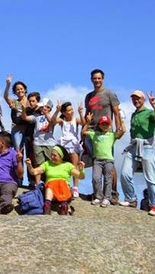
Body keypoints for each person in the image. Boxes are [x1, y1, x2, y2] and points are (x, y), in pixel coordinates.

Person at [120, 90, 155, 216]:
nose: (136, 101)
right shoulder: (134, 114)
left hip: (147, 147)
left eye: (138, 98)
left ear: (143, 99)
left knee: (151, 177)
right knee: (125, 173)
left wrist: (154, 105)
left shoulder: (149, 112)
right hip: (134, 146)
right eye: (134, 99)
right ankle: (131, 199)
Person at [84, 68, 123, 203]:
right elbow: (87, 115)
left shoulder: (109, 93)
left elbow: (116, 112)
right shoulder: (88, 96)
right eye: (95, 78)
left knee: (108, 162)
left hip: (106, 132)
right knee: (96, 162)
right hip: (92, 131)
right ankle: (98, 193)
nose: (97, 81)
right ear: (91, 79)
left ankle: (113, 193)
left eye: (99, 78)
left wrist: (118, 129)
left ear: (103, 79)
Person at [26, 145, 85, 215]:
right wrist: (29, 165)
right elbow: (34, 172)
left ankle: (64, 205)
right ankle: (47, 205)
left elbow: (80, 177)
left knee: (62, 183)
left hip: (64, 190)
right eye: (51, 155)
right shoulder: (47, 164)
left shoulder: (68, 165)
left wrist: (81, 170)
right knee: (50, 184)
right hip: (51, 192)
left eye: (55, 155)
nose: (52, 157)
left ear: (61, 156)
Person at [82, 114, 124, 208]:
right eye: (103, 124)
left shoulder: (112, 135)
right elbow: (84, 132)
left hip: (108, 160)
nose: (104, 126)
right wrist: (88, 122)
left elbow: (123, 131)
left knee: (108, 179)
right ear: (99, 125)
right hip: (97, 160)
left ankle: (107, 198)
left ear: (110, 125)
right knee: (96, 178)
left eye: (107, 124)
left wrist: (122, 120)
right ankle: (98, 196)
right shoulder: (95, 134)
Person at [21, 94, 57, 187]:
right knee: (38, 163)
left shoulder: (52, 116)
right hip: (37, 142)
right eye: (41, 107)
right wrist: (24, 109)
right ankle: (37, 183)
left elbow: (52, 122)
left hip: (49, 143)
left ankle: (50, 182)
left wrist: (47, 113)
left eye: (44, 107)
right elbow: (25, 118)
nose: (42, 109)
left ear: (48, 108)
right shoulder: (36, 116)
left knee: (51, 163)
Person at [51, 101, 84, 197]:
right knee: (63, 166)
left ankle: (76, 188)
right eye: (69, 110)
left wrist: (81, 112)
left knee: (75, 166)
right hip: (64, 145)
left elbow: (84, 123)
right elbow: (52, 121)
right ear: (64, 112)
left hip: (74, 144)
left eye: (72, 109)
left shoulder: (76, 120)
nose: (71, 111)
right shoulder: (62, 120)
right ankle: (65, 185)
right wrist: (57, 110)